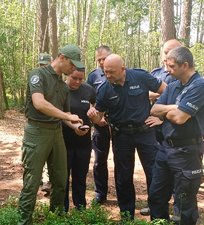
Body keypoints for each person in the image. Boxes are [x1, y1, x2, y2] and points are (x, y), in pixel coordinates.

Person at [87, 54, 166, 219]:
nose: (107, 75)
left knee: (154, 173)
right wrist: (94, 117)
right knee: (123, 176)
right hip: (121, 136)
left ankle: (158, 217)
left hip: (146, 132)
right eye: (105, 71)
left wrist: (161, 115)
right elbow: (99, 118)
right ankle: (127, 216)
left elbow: (166, 90)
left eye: (111, 72)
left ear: (123, 69)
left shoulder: (140, 76)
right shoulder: (104, 89)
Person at [18, 44, 84, 225]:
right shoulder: (38, 75)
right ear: (61, 57)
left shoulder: (63, 86)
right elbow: (39, 103)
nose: (74, 69)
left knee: (61, 181)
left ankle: (56, 218)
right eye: (72, 64)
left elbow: (65, 116)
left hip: (56, 133)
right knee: (32, 182)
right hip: (37, 133)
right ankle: (24, 221)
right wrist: (66, 116)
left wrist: (75, 126)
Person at [149, 46, 204, 225]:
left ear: (185, 65)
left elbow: (180, 118)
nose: (167, 70)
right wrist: (176, 106)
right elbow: (154, 110)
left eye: (172, 66)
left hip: (187, 152)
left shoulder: (199, 85)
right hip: (165, 149)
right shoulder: (172, 86)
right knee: (156, 196)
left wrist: (173, 109)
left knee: (183, 203)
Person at [141, 39, 183, 216]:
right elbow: (148, 95)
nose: (167, 57)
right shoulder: (157, 72)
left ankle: (178, 210)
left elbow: (184, 106)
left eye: (171, 52)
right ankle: (156, 206)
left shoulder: (188, 77)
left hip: (177, 133)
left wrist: (163, 116)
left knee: (179, 176)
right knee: (157, 171)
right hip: (156, 133)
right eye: (165, 52)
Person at [63, 69, 96, 212]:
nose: (77, 82)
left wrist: (94, 116)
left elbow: (95, 109)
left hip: (84, 142)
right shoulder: (60, 90)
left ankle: (80, 206)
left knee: (80, 175)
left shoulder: (89, 90)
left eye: (80, 79)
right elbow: (61, 113)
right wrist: (74, 126)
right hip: (63, 141)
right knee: (62, 177)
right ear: (67, 74)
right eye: (74, 78)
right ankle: (61, 208)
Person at [87, 45, 112, 204]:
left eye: (104, 58)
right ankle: (100, 193)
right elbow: (87, 100)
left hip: (119, 124)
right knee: (99, 160)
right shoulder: (93, 76)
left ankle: (125, 196)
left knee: (124, 162)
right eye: (99, 60)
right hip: (99, 124)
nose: (102, 62)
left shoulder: (121, 71)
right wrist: (97, 117)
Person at [37, 52, 53, 196]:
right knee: (38, 154)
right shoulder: (36, 79)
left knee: (50, 154)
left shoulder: (55, 81)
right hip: (37, 126)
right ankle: (39, 179)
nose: (43, 68)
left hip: (52, 125)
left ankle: (48, 181)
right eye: (41, 65)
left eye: (46, 65)